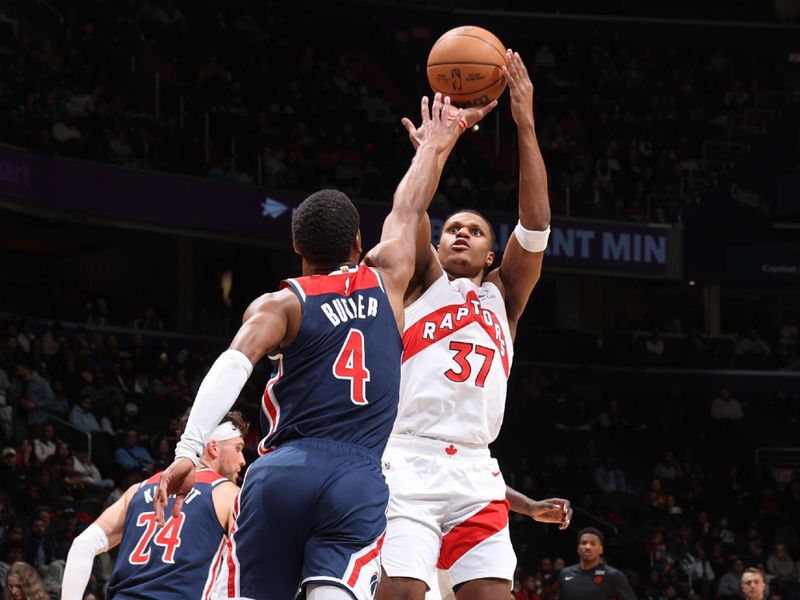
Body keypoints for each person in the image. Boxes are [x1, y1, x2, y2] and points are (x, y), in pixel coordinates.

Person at [155, 93, 497, 600]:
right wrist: (437, 143)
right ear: (359, 243)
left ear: (297, 248)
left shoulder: (281, 304)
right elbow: (409, 206)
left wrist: (187, 450)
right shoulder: (388, 279)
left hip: (282, 470)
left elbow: (234, 363)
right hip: (356, 474)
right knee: (334, 589)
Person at [379, 51, 568, 600]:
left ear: (491, 253)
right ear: (438, 247)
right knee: (403, 593)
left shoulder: (505, 297)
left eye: (475, 231)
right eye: (452, 229)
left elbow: (536, 224)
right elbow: (409, 212)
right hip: (406, 459)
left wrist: (525, 123)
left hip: (477, 470)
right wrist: (438, 149)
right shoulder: (419, 283)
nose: (460, 234)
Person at [59, 412, 247, 600]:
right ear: (213, 447)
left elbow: (82, 545)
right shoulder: (228, 495)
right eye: (238, 448)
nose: (242, 460)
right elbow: (248, 569)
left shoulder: (137, 490)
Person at [557, 528, 636, 600]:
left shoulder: (613, 575)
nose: (587, 547)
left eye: (593, 544)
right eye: (584, 543)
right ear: (578, 548)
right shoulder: (564, 574)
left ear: (601, 549)